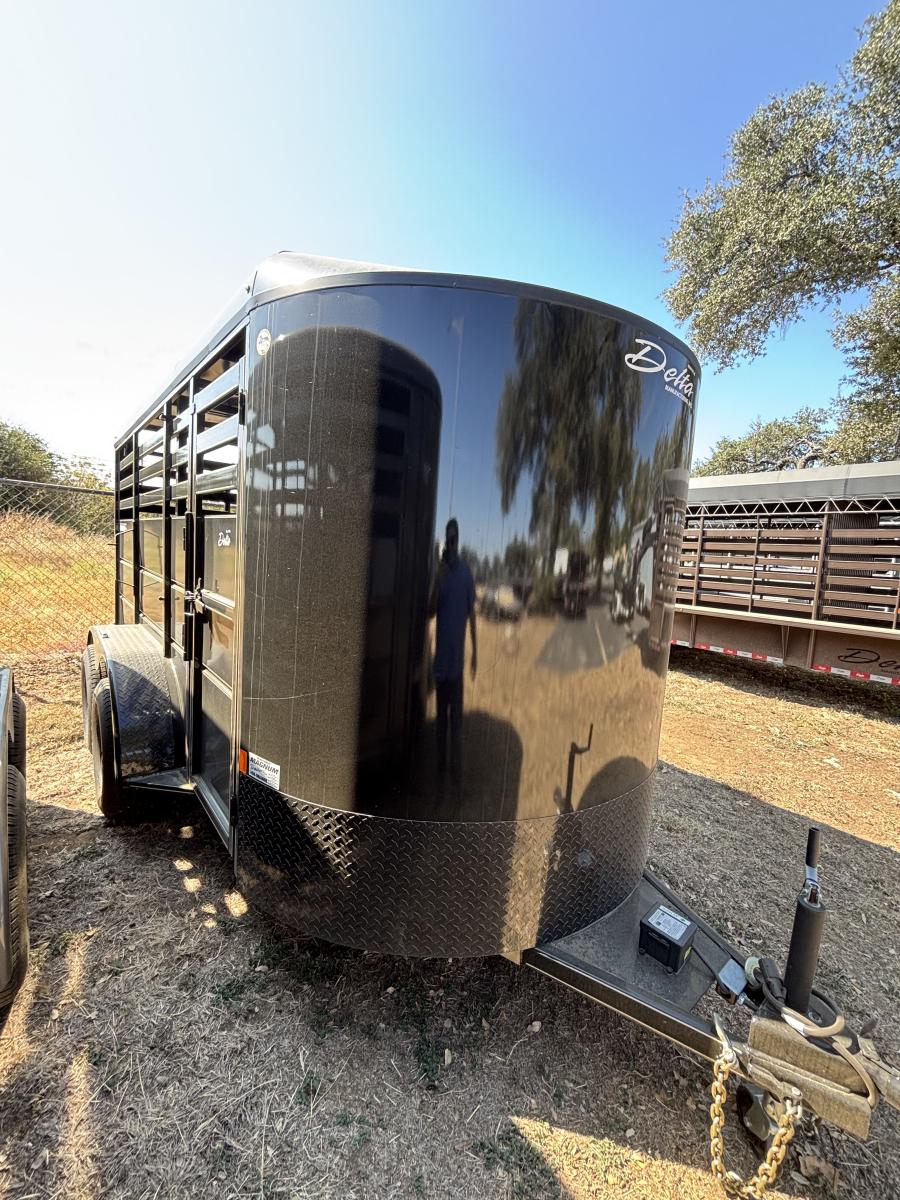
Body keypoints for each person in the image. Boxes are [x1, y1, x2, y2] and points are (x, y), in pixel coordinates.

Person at [431, 518, 477, 780]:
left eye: (453, 539)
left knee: (456, 727)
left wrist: (476, 656)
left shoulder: (466, 574)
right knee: (440, 727)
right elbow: (428, 612)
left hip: (457, 667)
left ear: (458, 541)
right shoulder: (441, 574)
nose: (451, 543)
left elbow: (472, 617)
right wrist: (437, 581)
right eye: (447, 539)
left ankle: (456, 779)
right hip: (440, 668)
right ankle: (440, 776)